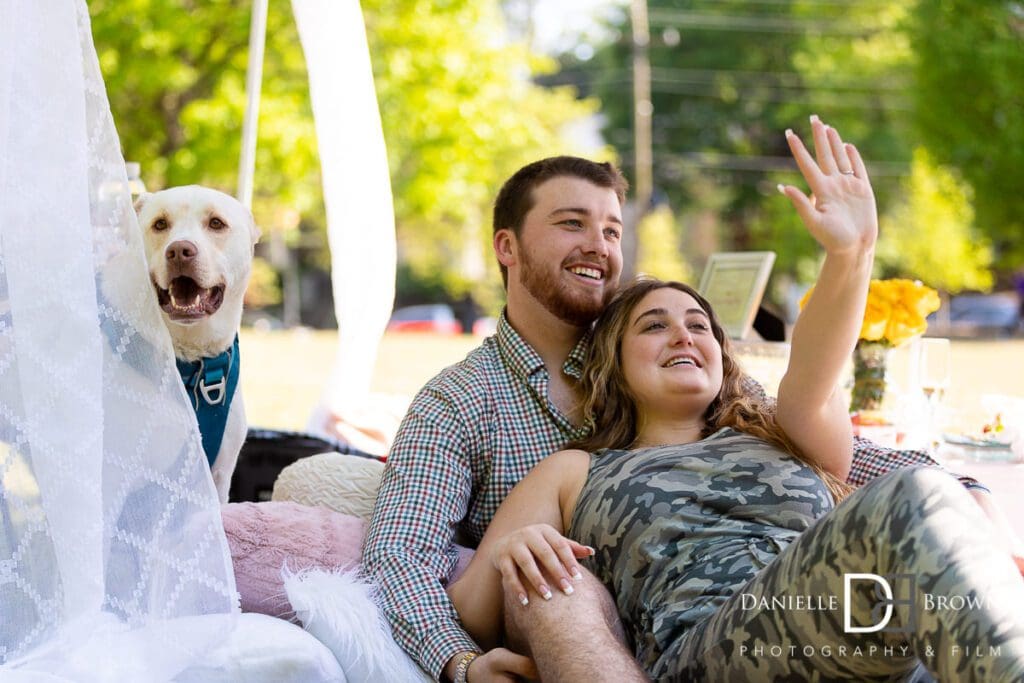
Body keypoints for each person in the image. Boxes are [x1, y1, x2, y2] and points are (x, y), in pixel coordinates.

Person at [362, 118, 1002, 682]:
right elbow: (400, 558)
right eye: (572, 224)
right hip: (700, 639)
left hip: (849, 616)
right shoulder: (465, 406)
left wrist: (958, 489)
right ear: (508, 246)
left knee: (930, 517)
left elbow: (825, 421)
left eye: (613, 230)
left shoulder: (729, 404)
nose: (600, 245)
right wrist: (461, 657)